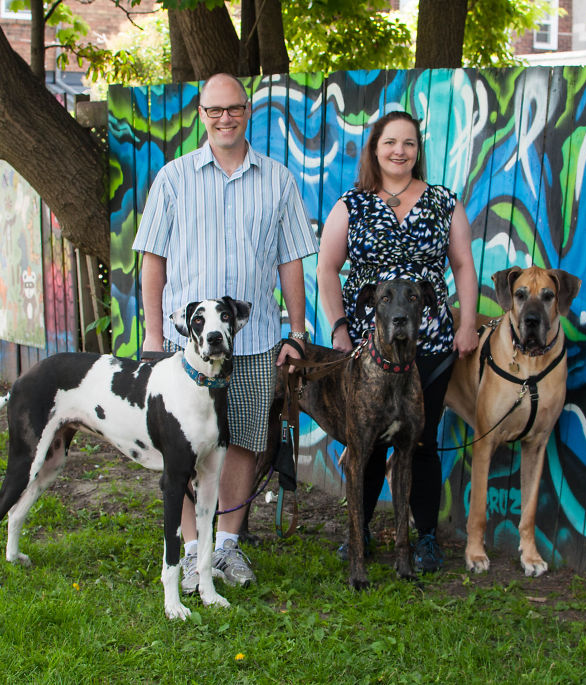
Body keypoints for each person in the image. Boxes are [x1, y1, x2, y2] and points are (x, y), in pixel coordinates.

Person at [132, 73, 318, 593]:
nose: (224, 118)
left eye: (233, 108)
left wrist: (297, 331)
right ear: (202, 114)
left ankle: (229, 548)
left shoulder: (278, 179)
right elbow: (153, 261)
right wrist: (151, 337)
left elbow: (290, 262)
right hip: (184, 352)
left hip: (255, 340)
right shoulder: (173, 179)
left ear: (247, 111)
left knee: (243, 442)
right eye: (214, 110)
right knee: (181, 451)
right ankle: (193, 552)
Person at [317, 110, 479, 573]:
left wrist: (466, 324)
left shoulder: (443, 201)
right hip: (368, 350)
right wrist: (340, 328)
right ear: (375, 148)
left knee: (421, 441)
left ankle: (425, 537)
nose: (399, 151)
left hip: (428, 346)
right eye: (390, 142)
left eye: (409, 143)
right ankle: (359, 533)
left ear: (418, 151)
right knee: (364, 442)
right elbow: (327, 268)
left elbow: (464, 265)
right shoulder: (353, 204)